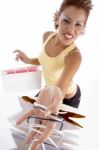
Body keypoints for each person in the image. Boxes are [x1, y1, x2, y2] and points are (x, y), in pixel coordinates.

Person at [14, 0, 93, 149]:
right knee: (32, 122)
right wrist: (28, 60)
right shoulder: (47, 36)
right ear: (58, 19)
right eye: (66, 21)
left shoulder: (74, 56)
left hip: (67, 96)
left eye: (78, 24)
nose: (71, 29)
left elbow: (60, 87)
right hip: (49, 89)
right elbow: (45, 59)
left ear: (83, 27)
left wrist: (54, 94)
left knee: (53, 135)